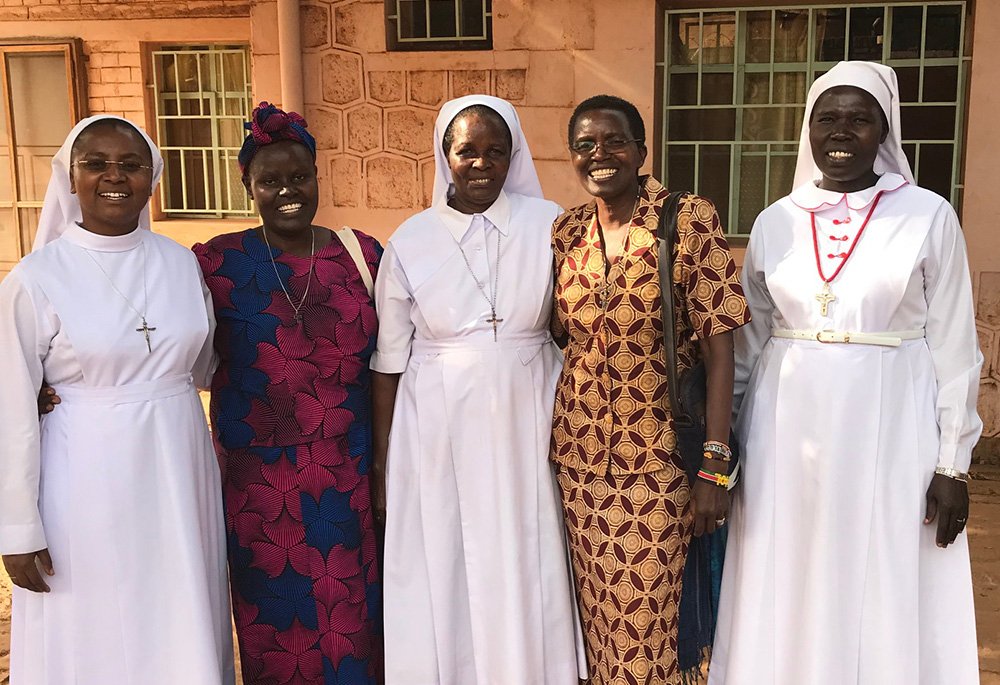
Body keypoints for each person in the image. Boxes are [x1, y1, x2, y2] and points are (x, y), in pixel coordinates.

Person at [708, 61, 982, 685]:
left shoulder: (927, 215)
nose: (841, 131)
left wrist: (952, 462)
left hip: (891, 422)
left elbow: (954, 344)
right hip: (785, 427)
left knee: (880, 562)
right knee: (790, 564)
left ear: (884, 130)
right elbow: (749, 343)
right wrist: (726, 449)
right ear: (808, 128)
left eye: (860, 118)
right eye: (827, 117)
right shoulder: (777, 219)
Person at [0, 115, 234, 684]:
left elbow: (202, 367)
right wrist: (16, 528)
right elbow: (10, 406)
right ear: (70, 177)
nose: (115, 176)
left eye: (131, 165)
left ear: (151, 177)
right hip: (82, 474)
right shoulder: (36, 277)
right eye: (96, 164)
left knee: (179, 610)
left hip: (178, 466)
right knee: (94, 620)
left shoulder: (181, 262)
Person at [370, 94, 586, 684]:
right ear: (445, 155)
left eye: (497, 151)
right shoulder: (410, 239)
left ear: (513, 155)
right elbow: (388, 361)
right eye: (467, 150)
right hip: (436, 419)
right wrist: (385, 460)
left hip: (530, 405)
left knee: (527, 540)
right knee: (447, 544)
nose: (482, 163)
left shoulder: (550, 223)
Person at [550, 94, 750, 685]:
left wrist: (713, 468)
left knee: (651, 622)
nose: (600, 154)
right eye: (586, 144)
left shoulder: (686, 220)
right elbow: (566, 336)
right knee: (595, 623)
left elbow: (720, 350)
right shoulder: (567, 232)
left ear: (642, 150)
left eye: (615, 141)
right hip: (579, 459)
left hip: (658, 462)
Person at [193, 102, 383, 685]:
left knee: (354, 619)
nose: (287, 191)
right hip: (257, 485)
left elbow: (398, 358)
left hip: (347, 473)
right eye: (269, 181)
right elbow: (157, 336)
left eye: (299, 177)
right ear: (247, 185)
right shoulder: (216, 262)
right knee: (274, 624)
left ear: (319, 177)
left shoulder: (363, 255)